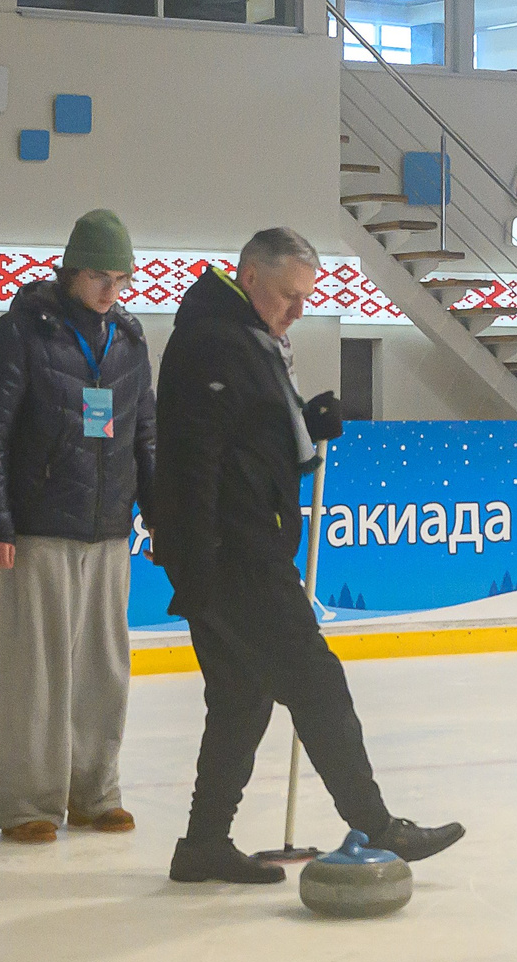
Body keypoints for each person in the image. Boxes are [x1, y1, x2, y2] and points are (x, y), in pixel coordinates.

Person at [150, 227, 463, 883]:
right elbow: (194, 459)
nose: (298, 309)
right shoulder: (213, 341)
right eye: (289, 295)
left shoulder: (247, 337)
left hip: (235, 552)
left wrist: (303, 423)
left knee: (240, 699)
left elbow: (244, 434)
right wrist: (200, 569)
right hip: (236, 557)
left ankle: (202, 843)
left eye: (305, 297)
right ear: (251, 276)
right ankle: (377, 825)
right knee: (317, 683)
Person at [0, 210, 157, 844]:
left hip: (108, 529)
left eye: (120, 277)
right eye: (99, 275)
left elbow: (144, 437)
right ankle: (28, 802)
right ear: (73, 271)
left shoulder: (129, 340)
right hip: (39, 528)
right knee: (35, 672)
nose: (110, 289)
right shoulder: (22, 332)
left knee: (105, 667)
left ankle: (96, 792)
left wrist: (154, 514)